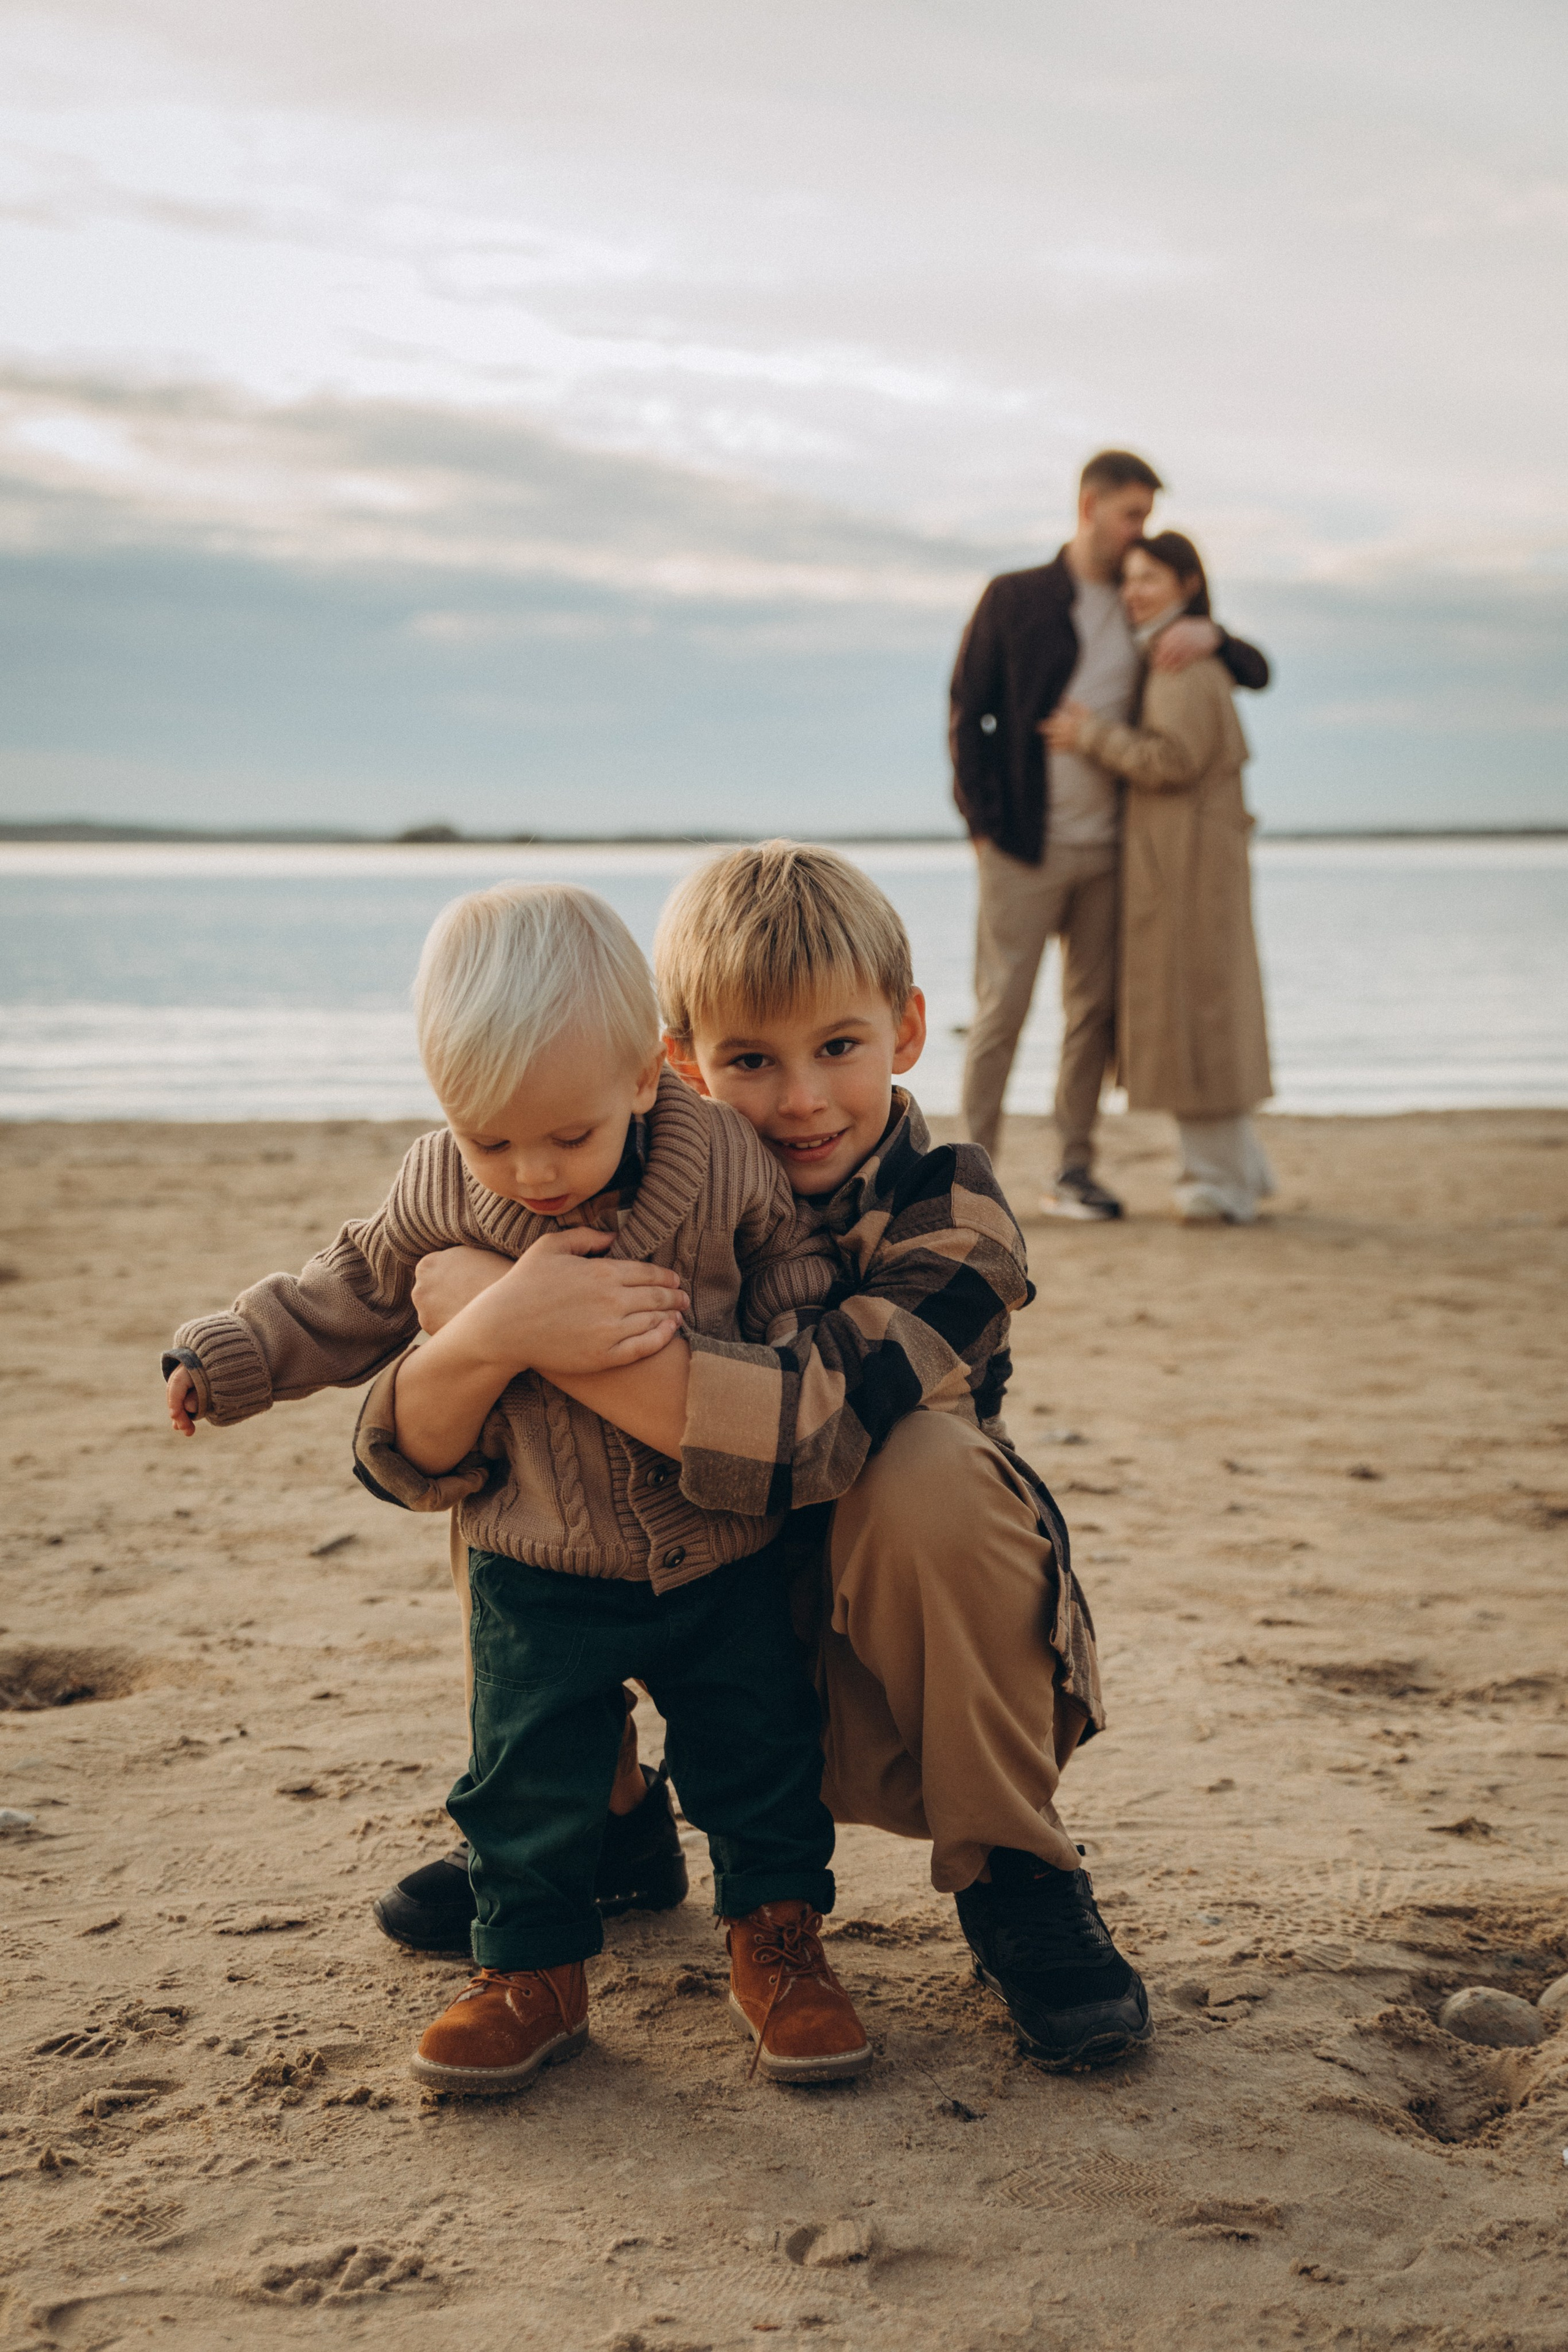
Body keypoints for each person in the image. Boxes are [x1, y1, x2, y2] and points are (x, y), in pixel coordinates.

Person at [379, 842, 1150, 2071]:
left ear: (905, 1031)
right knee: (524, 1464)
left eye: (837, 1046)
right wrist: (487, 1346)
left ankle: (1016, 1869)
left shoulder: (951, 1213)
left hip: (880, 1641)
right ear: (677, 1063)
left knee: (922, 1470)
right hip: (683, 1602)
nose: (799, 1099)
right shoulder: (593, 1179)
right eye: (750, 1060)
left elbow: (805, 1439)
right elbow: (407, 1453)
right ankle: (603, 1819)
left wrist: (511, 1320)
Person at [164, 880, 875, 2092]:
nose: (531, 1171)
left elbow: (790, 1267)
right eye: (490, 1140)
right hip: (535, 1557)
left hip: (720, 1545)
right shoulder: (438, 1184)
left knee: (758, 1752)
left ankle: (777, 1941)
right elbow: (346, 1291)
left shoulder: (720, 1158)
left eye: (565, 1137)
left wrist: (786, 1349)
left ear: (645, 1078)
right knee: (524, 1778)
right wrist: (225, 1357)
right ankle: (529, 1973)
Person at [949, 448, 1271, 1221]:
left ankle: (1073, 1171)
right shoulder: (1016, 596)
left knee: (1092, 1018)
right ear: (1089, 507)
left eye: (1147, 517)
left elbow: (1255, 671)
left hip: (1112, 852)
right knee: (1001, 1013)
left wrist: (1214, 634)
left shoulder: (1146, 609)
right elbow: (968, 712)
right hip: (1023, 846)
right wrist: (981, 825)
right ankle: (970, 1181)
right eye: (1131, 515)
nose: (1140, 531)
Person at [1044, 532, 1275, 1224]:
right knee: (1203, 1010)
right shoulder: (1174, 654)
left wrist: (1091, 735)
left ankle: (1217, 1182)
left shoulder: (1179, 662)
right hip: (1185, 865)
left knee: (1194, 1016)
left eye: (1150, 578)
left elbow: (1172, 759)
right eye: (1129, 579)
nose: (1134, 592)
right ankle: (1240, 1168)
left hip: (1185, 870)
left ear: (1186, 586)